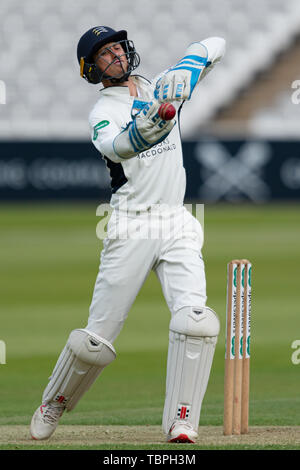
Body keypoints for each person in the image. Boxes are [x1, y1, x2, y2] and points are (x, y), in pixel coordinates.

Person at [30, 25, 225, 443]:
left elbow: (214, 46)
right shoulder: (103, 111)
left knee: (196, 321)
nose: (115, 55)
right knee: (97, 340)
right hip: (131, 224)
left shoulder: (162, 86)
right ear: (91, 69)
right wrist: (147, 128)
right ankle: (54, 402)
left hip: (176, 220)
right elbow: (117, 147)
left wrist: (188, 69)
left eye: (118, 46)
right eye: (104, 54)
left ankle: (182, 419)